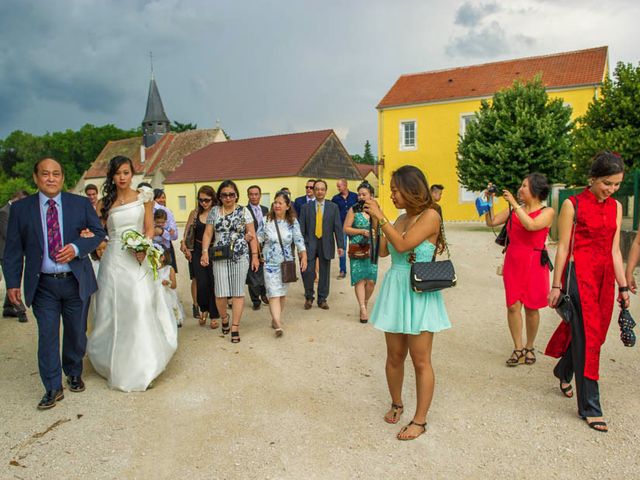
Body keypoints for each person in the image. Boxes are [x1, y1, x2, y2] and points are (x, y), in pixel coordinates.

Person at [2, 158, 105, 409]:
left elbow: (99, 233)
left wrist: (76, 247)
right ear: (36, 178)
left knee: (75, 333)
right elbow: (13, 250)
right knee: (47, 335)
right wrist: (12, 283)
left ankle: (73, 371)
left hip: (75, 281)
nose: (51, 178)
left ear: (62, 178)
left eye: (56, 174)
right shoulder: (21, 209)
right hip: (43, 285)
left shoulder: (79, 204)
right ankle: (52, 386)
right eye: (45, 174)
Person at [364, 165, 451, 441]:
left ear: (411, 189)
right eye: (390, 191)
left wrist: (382, 216)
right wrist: (377, 222)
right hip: (396, 288)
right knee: (394, 356)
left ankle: (420, 420)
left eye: (395, 190)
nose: (391, 195)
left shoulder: (431, 216)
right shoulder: (400, 218)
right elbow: (383, 251)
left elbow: (402, 246)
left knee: (421, 360)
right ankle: (397, 403)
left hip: (419, 291)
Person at [546, 151, 629, 433]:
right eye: (607, 183)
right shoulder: (573, 204)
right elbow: (563, 248)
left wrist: (623, 286)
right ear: (592, 179)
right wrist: (556, 285)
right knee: (589, 338)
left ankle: (563, 370)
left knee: (596, 336)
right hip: (579, 278)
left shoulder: (616, 207)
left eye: (617, 184)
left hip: (605, 279)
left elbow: (615, 251)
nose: (612, 189)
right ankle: (590, 407)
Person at [89, 156, 177, 392]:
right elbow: (98, 232)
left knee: (139, 305)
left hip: (137, 259)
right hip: (114, 259)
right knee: (113, 309)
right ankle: (112, 362)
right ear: (112, 176)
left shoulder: (144, 197)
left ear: (132, 174)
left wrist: (143, 248)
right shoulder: (104, 204)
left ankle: (144, 365)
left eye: (126, 172)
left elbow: (149, 229)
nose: (122, 177)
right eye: (117, 173)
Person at [483, 174, 555, 366]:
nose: (520, 188)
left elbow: (531, 225)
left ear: (536, 190)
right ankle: (518, 348)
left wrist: (514, 204)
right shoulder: (515, 210)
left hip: (535, 262)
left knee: (532, 308)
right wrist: (488, 201)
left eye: (524, 186)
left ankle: (530, 346)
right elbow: (491, 222)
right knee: (513, 306)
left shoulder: (547, 211)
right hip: (514, 260)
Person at [200, 180, 260, 343]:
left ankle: (235, 326)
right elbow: (207, 234)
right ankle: (224, 317)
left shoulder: (244, 211)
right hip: (219, 256)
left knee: (238, 292)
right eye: (225, 195)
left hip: (240, 256)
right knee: (220, 293)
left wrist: (255, 256)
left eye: (231, 194)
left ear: (236, 196)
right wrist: (204, 252)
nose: (228, 198)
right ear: (220, 196)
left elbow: (252, 234)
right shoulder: (214, 212)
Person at [257, 191, 307, 337]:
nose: (277, 205)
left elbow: (298, 239)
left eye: (280, 203)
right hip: (270, 263)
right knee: (273, 293)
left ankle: (276, 318)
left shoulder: (292, 221)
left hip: (286, 263)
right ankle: (278, 324)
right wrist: (251, 241)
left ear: (287, 206)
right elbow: (258, 237)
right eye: (275, 202)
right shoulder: (266, 220)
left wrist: (303, 255)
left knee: (282, 294)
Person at [299, 179, 344, 310]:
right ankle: (309, 297)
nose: (319, 191)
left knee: (324, 273)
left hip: (326, 244)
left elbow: (338, 227)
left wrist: (340, 245)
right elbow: (301, 229)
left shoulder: (333, 207)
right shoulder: (305, 208)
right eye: (317, 189)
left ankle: (322, 299)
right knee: (308, 272)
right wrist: (301, 248)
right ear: (313, 191)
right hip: (309, 244)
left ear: (325, 191)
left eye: (322, 189)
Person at [181, 186, 220, 327]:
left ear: (213, 199)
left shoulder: (217, 213)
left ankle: (214, 315)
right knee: (201, 282)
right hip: (197, 250)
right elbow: (186, 232)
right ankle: (203, 310)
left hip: (214, 250)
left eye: (207, 200)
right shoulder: (195, 213)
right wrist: (184, 245)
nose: (204, 203)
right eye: (201, 200)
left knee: (214, 282)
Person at [343, 182, 378, 323]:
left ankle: (366, 301)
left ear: (371, 196)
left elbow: (379, 227)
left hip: (372, 247)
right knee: (359, 278)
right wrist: (362, 231)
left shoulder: (376, 209)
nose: (361, 197)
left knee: (371, 281)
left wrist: (375, 215)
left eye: (364, 194)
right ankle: (362, 308)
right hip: (357, 246)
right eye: (359, 194)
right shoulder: (353, 210)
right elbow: (346, 228)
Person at [1, 189, 29, 322]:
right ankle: (20, 310)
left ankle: (8, 308)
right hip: (5, 253)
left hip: (15, 252)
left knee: (15, 277)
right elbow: (9, 234)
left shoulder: (17, 211)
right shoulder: (4, 212)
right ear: (16, 198)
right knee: (12, 280)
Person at [246, 185, 269, 310]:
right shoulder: (244, 210)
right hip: (251, 246)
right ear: (248, 196)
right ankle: (255, 300)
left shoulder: (266, 209)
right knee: (253, 272)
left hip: (265, 245)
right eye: (251, 194)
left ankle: (264, 293)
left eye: (256, 194)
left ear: (260, 195)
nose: (254, 196)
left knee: (264, 271)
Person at [332, 178, 358, 279]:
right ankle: (343, 270)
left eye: (339, 186)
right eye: (337, 186)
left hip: (354, 226)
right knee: (342, 249)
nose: (338, 188)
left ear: (345, 185)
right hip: (341, 227)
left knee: (355, 248)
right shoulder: (335, 198)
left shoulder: (355, 196)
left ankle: (355, 269)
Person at [152, 188, 179, 273]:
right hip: (152, 248)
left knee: (168, 275)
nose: (162, 200)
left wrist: (162, 232)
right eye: (158, 198)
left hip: (166, 248)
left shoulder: (167, 212)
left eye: (163, 197)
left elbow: (175, 235)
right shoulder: (148, 211)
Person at [158, 250, 185, 328]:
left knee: (170, 305)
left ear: (163, 257)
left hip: (168, 293)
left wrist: (168, 283)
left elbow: (174, 285)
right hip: (159, 293)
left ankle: (175, 320)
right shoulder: (155, 270)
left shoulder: (169, 269)